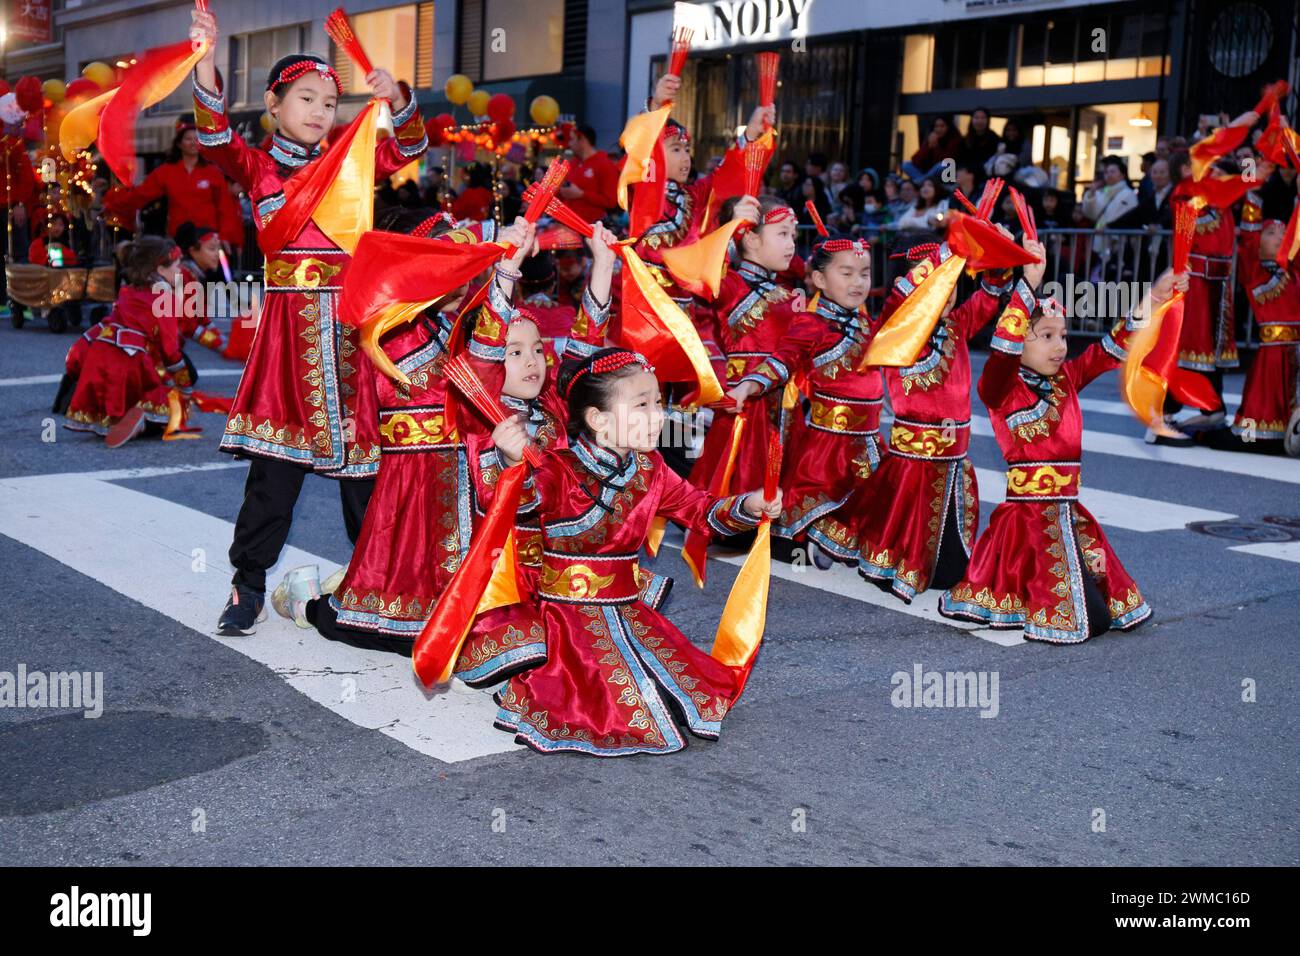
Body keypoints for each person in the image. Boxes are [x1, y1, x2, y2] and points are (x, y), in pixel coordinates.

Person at [188, 6, 429, 635]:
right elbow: (214, 136)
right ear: (274, 104)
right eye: (306, 98)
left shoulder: (350, 165)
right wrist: (206, 57)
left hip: (352, 335)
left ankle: (380, 586)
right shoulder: (258, 166)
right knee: (274, 476)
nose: (321, 110)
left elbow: (409, 146)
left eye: (330, 101)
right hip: (290, 344)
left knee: (365, 476)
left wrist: (396, 97)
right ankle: (247, 585)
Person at [486, 348, 782, 756]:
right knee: (615, 708)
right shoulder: (559, 467)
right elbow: (518, 505)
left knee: (693, 688)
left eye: (659, 402)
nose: (658, 415)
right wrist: (508, 461)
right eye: (642, 404)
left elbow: (700, 511)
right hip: (567, 618)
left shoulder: (650, 468)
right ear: (599, 420)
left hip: (626, 607)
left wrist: (748, 505)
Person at [938, 265, 1162, 642]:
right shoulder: (1001, 389)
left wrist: (1151, 302)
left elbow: (1107, 350)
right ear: (1017, 342)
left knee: (1103, 612)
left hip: (1069, 512)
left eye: (1063, 336)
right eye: (1046, 336)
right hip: (1026, 520)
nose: (1060, 346)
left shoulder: (1067, 380)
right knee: (1080, 613)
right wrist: (1027, 286)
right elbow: (999, 355)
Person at [854, 231, 1021, 602]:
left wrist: (996, 249)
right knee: (900, 555)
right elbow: (900, 299)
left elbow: (993, 293)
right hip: (911, 464)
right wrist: (952, 248)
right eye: (935, 282)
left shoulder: (959, 324)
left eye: (951, 281)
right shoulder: (896, 326)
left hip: (954, 462)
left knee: (949, 572)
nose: (945, 292)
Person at [731, 226, 880, 565]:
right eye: (846, 273)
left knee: (880, 507)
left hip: (867, 443)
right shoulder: (810, 324)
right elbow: (782, 360)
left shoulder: (865, 322)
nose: (858, 282)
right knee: (812, 514)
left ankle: (833, 537)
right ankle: (806, 539)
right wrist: (748, 385)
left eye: (865, 273)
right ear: (820, 280)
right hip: (828, 450)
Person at [682, 194, 799, 575]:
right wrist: (730, 226)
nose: (791, 243)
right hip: (744, 405)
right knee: (739, 472)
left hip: (781, 400)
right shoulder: (731, 285)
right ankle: (734, 519)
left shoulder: (783, 288)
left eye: (794, 234)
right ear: (751, 239)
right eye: (782, 234)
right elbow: (697, 267)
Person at [64, 237, 191, 447]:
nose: (181, 272)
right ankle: (143, 421)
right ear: (159, 268)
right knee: (171, 411)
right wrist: (185, 384)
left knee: (114, 400)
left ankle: (119, 419)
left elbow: (104, 326)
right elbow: (170, 349)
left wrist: (76, 361)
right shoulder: (164, 298)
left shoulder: (128, 292)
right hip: (130, 360)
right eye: (177, 266)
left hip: (99, 354)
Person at [103, 121, 244, 251]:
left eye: (197, 139)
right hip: (178, 238)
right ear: (179, 144)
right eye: (188, 139)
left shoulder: (213, 173)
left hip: (207, 239)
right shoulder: (167, 171)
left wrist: (225, 236)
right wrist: (112, 203)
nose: (193, 142)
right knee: (180, 277)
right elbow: (142, 194)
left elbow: (225, 208)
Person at [1229, 217, 1300, 445]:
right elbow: (1247, 241)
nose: (1280, 237)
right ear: (1258, 243)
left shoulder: (1294, 268)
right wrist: (1252, 185)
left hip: (1297, 353)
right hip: (1271, 355)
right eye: (1270, 233)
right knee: (1256, 430)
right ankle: (1254, 436)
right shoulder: (1254, 271)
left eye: (1283, 232)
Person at [560, 123, 620, 223]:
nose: (569, 144)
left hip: (590, 228)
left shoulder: (605, 164)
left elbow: (611, 201)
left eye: (572, 139)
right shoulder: (572, 163)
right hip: (567, 225)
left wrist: (581, 194)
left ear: (582, 139)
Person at [905, 116, 960, 181]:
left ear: (948, 127)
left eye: (942, 126)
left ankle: (921, 181)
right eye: (936, 126)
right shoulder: (931, 139)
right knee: (905, 165)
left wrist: (936, 147)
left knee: (942, 165)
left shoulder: (954, 140)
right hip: (929, 171)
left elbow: (947, 160)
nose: (939, 129)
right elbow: (915, 160)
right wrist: (928, 146)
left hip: (947, 173)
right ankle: (923, 180)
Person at [957, 107, 1000, 172]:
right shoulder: (965, 139)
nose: (979, 121)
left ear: (988, 120)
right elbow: (960, 160)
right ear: (972, 120)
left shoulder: (994, 139)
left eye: (983, 118)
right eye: (976, 118)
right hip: (966, 173)